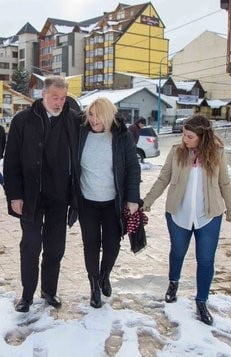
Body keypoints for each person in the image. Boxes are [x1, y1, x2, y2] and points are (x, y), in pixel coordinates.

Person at [142, 114, 231, 325]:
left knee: (205, 260)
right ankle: (173, 283)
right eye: (184, 134)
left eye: (189, 136)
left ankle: (202, 301)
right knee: (177, 252)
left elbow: (225, 184)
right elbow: (163, 178)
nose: (184, 139)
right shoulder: (176, 152)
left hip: (209, 216)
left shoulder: (217, 154)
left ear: (202, 136)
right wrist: (147, 201)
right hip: (178, 214)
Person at [3, 75, 81, 312]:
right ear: (43, 95)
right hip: (30, 196)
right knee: (30, 245)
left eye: (63, 97)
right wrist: (14, 195)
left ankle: (49, 291)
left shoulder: (74, 119)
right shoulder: (23, 120)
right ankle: (26, 296)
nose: (59, 102)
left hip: (60, 196)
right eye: (55, 97)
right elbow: (11, 161)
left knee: (55, 247)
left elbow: (102, 126)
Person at [76, 97, 141, 308]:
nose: (93, 120)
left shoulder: (122, 137)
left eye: (98, 115)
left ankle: (105, 274)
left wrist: (132, 198)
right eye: (91, 115)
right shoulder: (81, 133)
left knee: (112, 244)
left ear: (109, 116)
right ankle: (94, 284)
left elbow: (132, 168)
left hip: (113, 202)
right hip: (87, 202)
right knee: (91, 245)